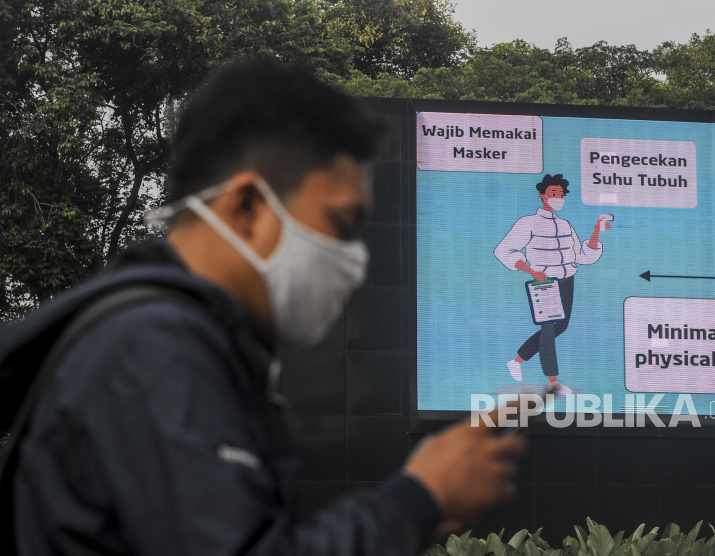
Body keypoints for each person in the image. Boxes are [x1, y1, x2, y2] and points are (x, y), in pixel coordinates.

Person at [1, 60, 525, 555]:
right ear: (247, 206)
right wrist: (419, 497)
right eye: (340, 226)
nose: (352, 261)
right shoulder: (155, 349)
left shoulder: (176, 341)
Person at [494, 174, 611, 392]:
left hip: (567, 280)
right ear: (542, 196)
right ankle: (553, 382)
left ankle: (518, 360)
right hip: (544, 282)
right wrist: (530, 270)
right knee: (548, 329)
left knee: (561, 326)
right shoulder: (527, 223)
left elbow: (581, 255)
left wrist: (596, 231)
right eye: (553, 193)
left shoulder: (565, 224)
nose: (558, 197)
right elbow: (504, 250)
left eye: (561, 194)